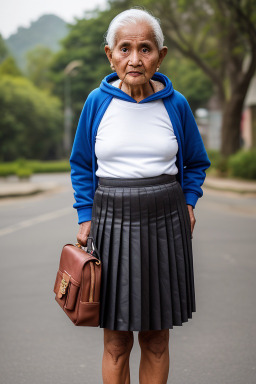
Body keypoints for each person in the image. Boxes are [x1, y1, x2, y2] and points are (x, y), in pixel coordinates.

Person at [70, 8, 211, 384]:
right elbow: (82, 164)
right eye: (125, 48)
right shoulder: (96, 103)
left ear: (160, 56)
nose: (135, 59)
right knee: (116, 341)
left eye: (146, 48)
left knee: (156, 338)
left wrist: (189, 201)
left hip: (166, 222)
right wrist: (86, 215)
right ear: (109, 54)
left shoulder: (175, 104)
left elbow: (196, 162)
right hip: (110, 221)